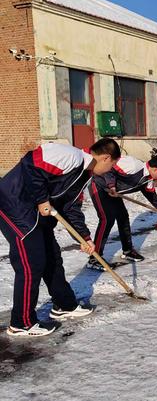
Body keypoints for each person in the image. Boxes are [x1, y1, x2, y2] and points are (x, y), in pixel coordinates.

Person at [0, 139, 121, 337]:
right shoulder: (71, 156)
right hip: (14, 204)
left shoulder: (83, 175)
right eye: (112, 165)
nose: (110, 170)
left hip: (37, 213)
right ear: (106, 158)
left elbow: (70, 208)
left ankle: (65, 305)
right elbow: (30, 162)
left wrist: (84, 238)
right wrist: (41, 199)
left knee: (53, 256)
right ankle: (21, 323)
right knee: (32, 262)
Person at [88, 154, 157, 270]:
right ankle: (94, 258)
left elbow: (151, 195)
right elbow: (108, 168)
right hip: (99, 186)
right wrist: (111, 186)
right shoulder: (132, 165)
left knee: (123, 217)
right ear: (156, 169)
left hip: (114, 192)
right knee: (107, 219)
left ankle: (128, 251)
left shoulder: (148, 179)